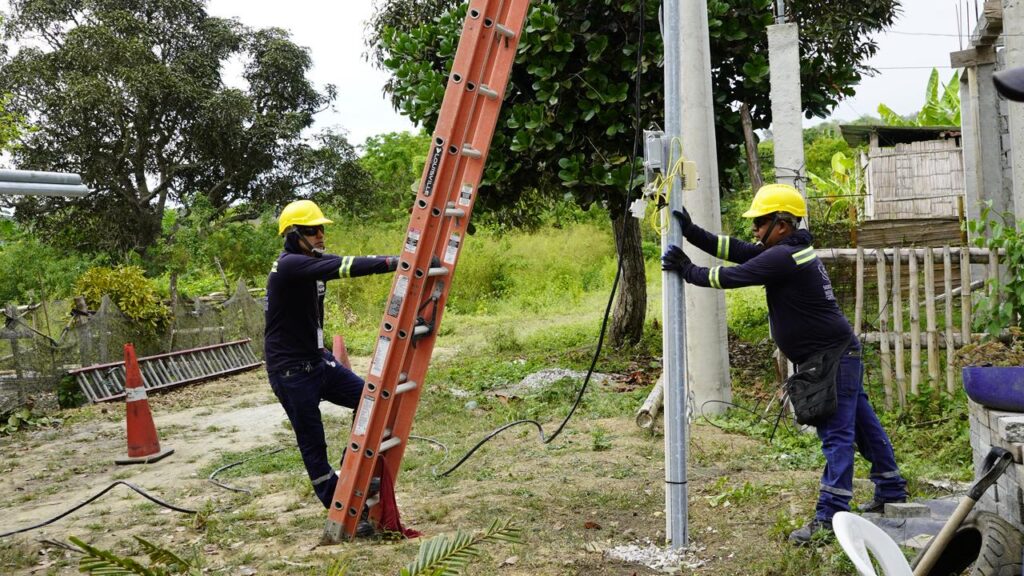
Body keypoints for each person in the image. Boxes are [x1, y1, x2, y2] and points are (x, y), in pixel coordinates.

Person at [660, 183, 907, 545]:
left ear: (782, 224)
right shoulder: (789, 251)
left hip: (831, 357)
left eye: (760, 222)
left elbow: (730, 276)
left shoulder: (784, 257)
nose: (755, 229)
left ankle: (830, 517)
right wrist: (692, 231)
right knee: (861, 425)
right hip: (838, 353)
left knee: (836, 435)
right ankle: (891, 489)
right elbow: (738, 250)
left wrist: (688, 270)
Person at [264, 199, 398, 522]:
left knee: (370, 399)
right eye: (313, 230)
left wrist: (396, 260)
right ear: (294, 234)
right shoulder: (290, 265)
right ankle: (343, 509)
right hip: (291, 372)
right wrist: (398, 263)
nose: (321, 235)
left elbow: (344, 262)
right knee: (314, 446)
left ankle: (352, 469)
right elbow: (346, 267)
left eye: (322, 229)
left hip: (317, 361)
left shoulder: (312, 261)